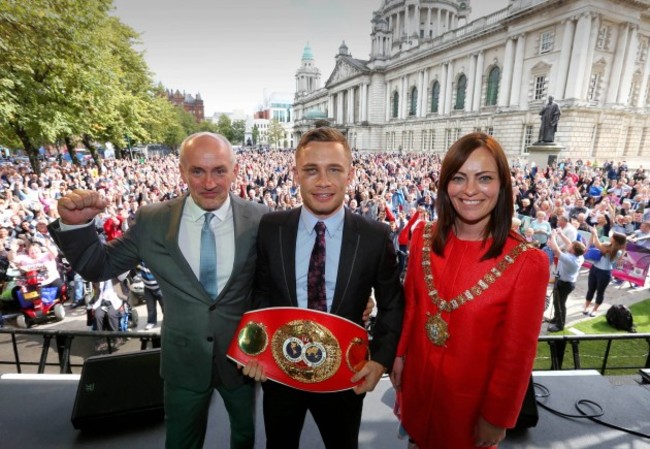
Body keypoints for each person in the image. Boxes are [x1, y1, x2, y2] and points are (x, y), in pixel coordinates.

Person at [47, 132, 269, 449]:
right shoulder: (153, 220)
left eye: (219, 170)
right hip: (183, 360)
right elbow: (99, 267)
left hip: (242, 358)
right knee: (180, 441)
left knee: (244, 437)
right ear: (181, 171)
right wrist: (76, 226)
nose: (209, 183)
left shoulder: (260, 218)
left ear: (235, 171)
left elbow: (275, 284)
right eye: (197, 171)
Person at [243, 127, 404, 449]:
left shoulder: (374, 236)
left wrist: (380, 360)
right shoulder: (272, 228)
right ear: (296, 175)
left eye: (334, 169)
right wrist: (254, 348)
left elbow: (392, 303)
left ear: (350, 175)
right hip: (280, 372)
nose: (323, 181)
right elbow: (260, 292)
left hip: (346, 373)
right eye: (311, 170)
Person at [390, 132, 549, 449]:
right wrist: (398, 355)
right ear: (446, 185)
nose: (471, 190)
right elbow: (411, 306)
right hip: (418, 385)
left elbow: (517, 354)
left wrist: (498, 416)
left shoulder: (527, 262)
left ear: (502, 185)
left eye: (484, 178)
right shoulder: (423, 237)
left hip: (471, 406)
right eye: (459, 178)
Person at [546, 229, 586, 332]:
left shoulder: (571, 260)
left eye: (570, 246)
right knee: (556, 302)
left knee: (560, 304)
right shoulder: (579, 255)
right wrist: (561, 234)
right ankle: (556, 318)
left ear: (573, 250)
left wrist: (553, 236)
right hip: (563, 282)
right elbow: (569, 243)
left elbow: (555, 250)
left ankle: (560, 325)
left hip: (565, 284)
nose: (568, 245)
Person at [582, 229, 627, 317]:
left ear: (616, 239)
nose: (610, 237)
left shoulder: (617, 251)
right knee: (590, 290)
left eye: (612, 236)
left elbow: (599, 246)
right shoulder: (608, 244)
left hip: (604, 273)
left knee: (600, 292)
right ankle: (586, 307)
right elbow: (595, 244)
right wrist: (593, 234)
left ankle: (595, 309)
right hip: (594, 269)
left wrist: (595, 233)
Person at [138, 261, 164, 329]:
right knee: (150, 307)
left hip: (160, 287)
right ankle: (151, 322)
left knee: (165, 306)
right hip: (148, 288)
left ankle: (168, 322)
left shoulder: (155, 260)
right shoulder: (141, 259)